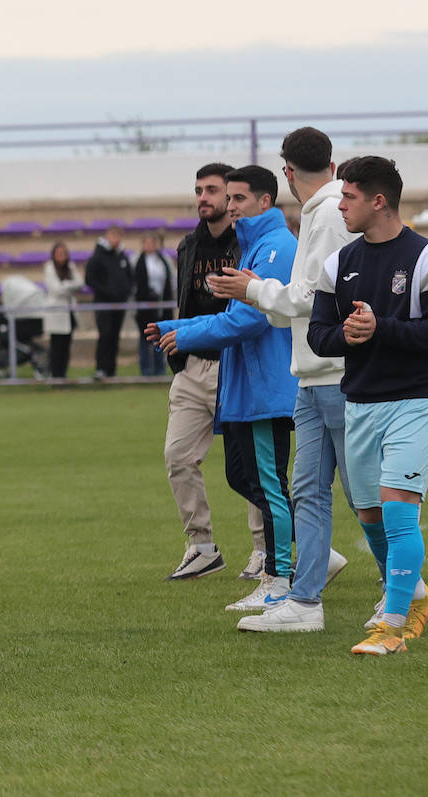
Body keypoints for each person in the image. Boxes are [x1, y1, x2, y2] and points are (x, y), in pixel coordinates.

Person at [307, 155, 428, 656]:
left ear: (378, 201)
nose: (340, 204)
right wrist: (348, 336)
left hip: (415, 399)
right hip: (360, 402)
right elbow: (318, 335)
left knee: (397, 512)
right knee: (369, 514)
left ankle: (393, 623)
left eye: (347, 196)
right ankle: (417, 595)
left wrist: (380, 328)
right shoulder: (340, 263)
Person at [211, 128, 355, 631]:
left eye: (234, 198)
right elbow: (292, 304)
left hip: (331, 375)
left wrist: (255, 290)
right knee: (309, 492)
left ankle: (408, 589)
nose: (229, 207)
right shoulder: (318, 215)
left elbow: (313, 299)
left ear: (286, 173)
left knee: (364, 498)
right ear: (331, 165)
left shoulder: (326, 218)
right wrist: (261, 294)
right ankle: (304, 600)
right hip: (311, 377)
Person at [149, 165, 297, 613]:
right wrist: (179, 327)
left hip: (265, 384)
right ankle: (296, 555)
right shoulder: (243, 244)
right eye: (223, 197)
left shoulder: (274, 247)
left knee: (268, 484)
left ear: (264, 201)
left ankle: (279, 573)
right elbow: (230, 313)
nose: (229, 205)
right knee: (241, 474)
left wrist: (187, 334)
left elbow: (250, 318)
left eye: (236, 198)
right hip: (243, 382)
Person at [162, 163, 267, 583]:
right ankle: (201, 546)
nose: (203, 197)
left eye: (212, 190)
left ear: (231, 197)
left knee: (253, 464)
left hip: (237, 365)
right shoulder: (188, 245)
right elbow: (185, 303)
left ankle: (263, 549)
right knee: (177, 456)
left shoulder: (251, 244)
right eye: (198, 190)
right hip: (194, 365)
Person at [85, 225, 133, 379]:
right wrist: (107, 292)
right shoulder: (97, 256)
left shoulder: (122, 256)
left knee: (114, 336)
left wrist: (125, 292)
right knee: (105, 335)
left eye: (118, 236)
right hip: (103, 304)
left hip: (119, 304)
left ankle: (111, 370)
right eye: (112, 236)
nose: (115, 240)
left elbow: (129, 278)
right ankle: (101, 368)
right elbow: (90, 279)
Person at [133, 234, 174, 377]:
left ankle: (160, 369)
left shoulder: (163, 260)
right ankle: (145, 370)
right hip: (144, 306)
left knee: (160, 337)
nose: (149, 245)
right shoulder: (136, 260)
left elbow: (171, 279)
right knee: (145, 338)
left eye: (152, 242)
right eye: (147, 242)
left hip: (161, 304)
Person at [42, 241, 84, 379]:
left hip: (69, 313)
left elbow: (80, 283)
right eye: (58, 253)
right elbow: (55, 289)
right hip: (56, 314)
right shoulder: (49, 268)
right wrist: (69, 286)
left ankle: (63, 376)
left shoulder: (70, 267)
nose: (61, 256)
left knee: (66, 347)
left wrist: (65, 285)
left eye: (63, 253)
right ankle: (56, 377)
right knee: (56, 347)